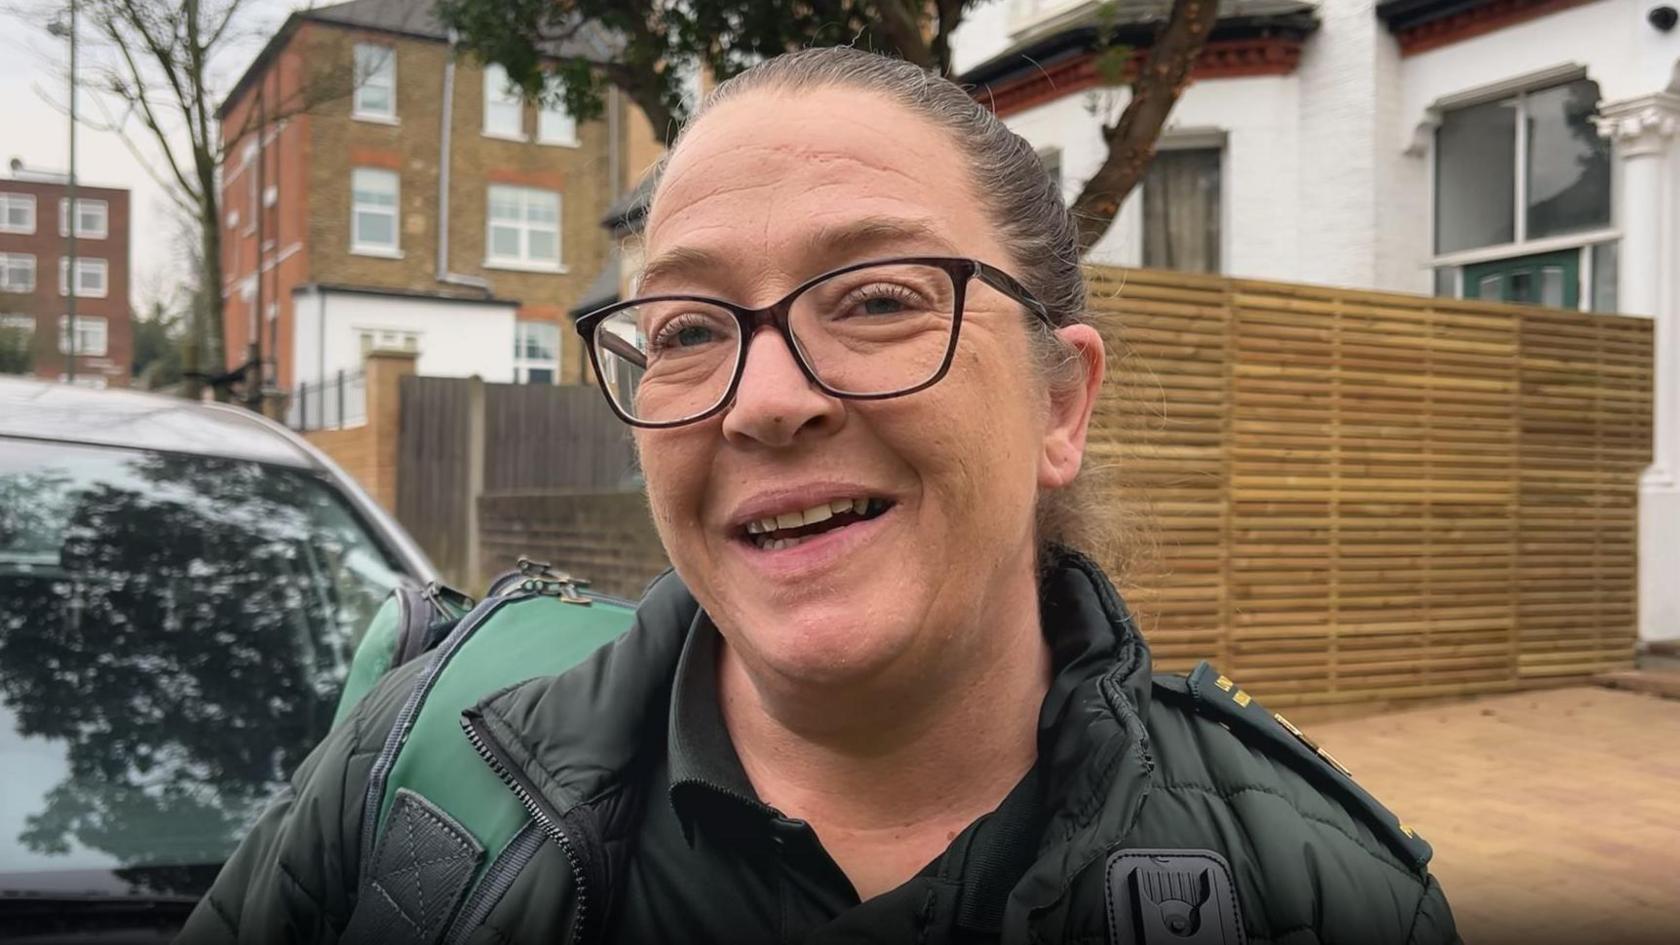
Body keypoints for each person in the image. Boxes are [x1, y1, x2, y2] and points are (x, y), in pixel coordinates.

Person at [181, 46, 1458, 944]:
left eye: (880, 300)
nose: (763, 399)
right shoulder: (408, 776)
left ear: (1060, 402)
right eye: (685, 327)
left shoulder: (1316, 888)